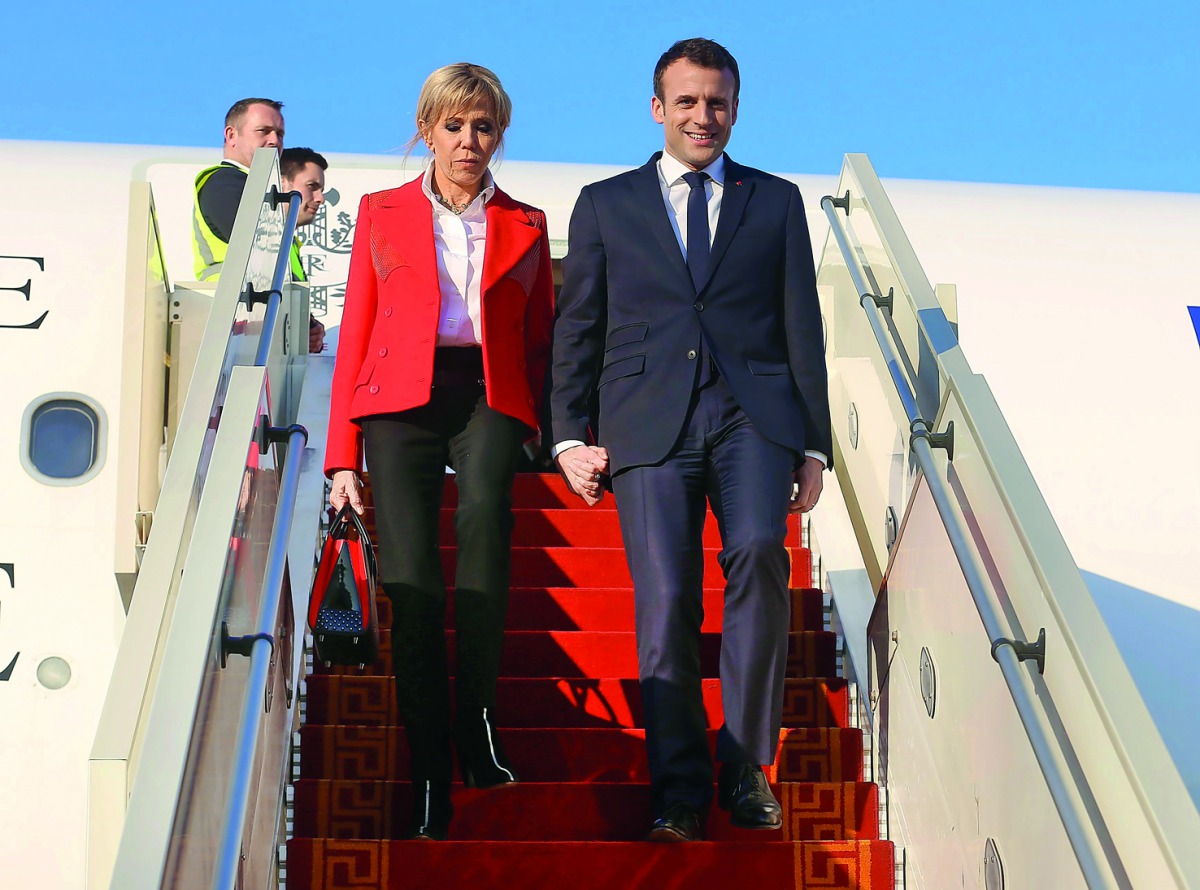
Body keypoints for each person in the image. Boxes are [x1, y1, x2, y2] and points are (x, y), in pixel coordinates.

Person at [547, 38, 832, 843]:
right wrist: (569, 435)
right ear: (657, 108)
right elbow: (580, 328)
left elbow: (799, 325)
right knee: (667, 598)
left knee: (757, 557)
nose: (703, 116)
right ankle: (678, 787)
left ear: (735, 109)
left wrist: (814, 445)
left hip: (754, 419)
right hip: (648, 420)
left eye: (718, 102)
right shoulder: (606, 203)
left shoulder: (773, 201)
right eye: (688, 101)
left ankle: (744, 770)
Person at [325, 63, 554, 841]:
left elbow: (541, 337)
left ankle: (478, 726)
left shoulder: (526, 221)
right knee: (413, 582)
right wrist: (340, 456)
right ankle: (428, 773)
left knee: (488, 522)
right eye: (454, 126)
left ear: (499, 135)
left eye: (483, 127)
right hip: (398, 400)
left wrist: (552, 432)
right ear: (427, 129)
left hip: (487, 390)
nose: (469, 142)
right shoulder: (381, 211)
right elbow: (357, 326)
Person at [192, 98, 324, 352]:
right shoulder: (223, 182)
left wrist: (306, 326)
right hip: (234, 327)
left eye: (280, 133)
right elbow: (260, 251)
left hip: (255, 332)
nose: (275, 140)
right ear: (232, 135)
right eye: (263, 131)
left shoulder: (259, 191)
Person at [279, 146, 329, 352]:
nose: (320, 198)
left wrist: (310, 329)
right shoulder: (261, 239)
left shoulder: (289, 243)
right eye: (312, 186)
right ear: (282, 184)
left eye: (321, 190)